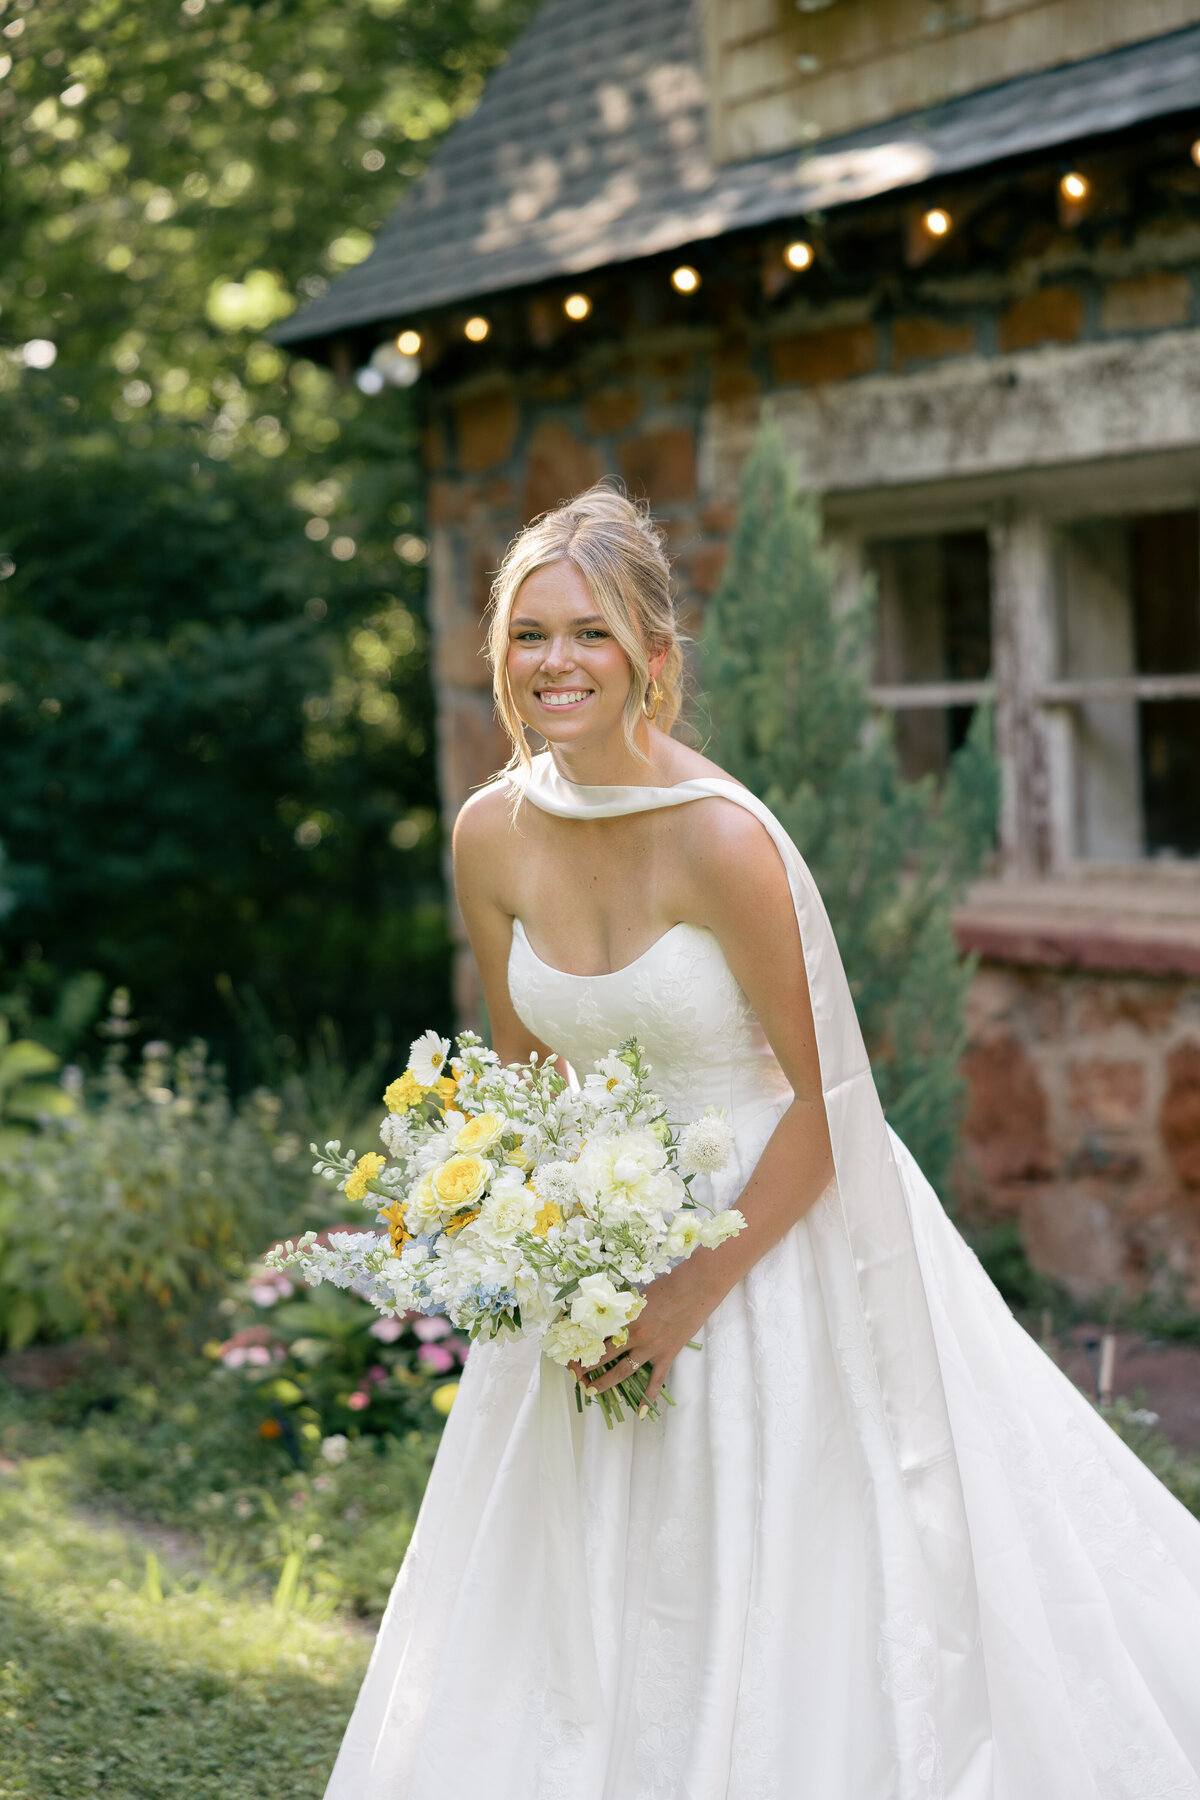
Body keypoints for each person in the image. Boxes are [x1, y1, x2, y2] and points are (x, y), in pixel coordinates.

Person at [325, 484, 1200, 1800]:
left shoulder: (726, 840)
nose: (556, 663)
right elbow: (523, 1079)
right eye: (529, 634)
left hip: (776, 1236)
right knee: (567, 1606)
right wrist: (531, 1243)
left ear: (651, 659)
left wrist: (679, 1299)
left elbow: (836, 1106)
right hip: (594, 1251)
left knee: (804, 1576)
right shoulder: (490, 834)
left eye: (591, 634)